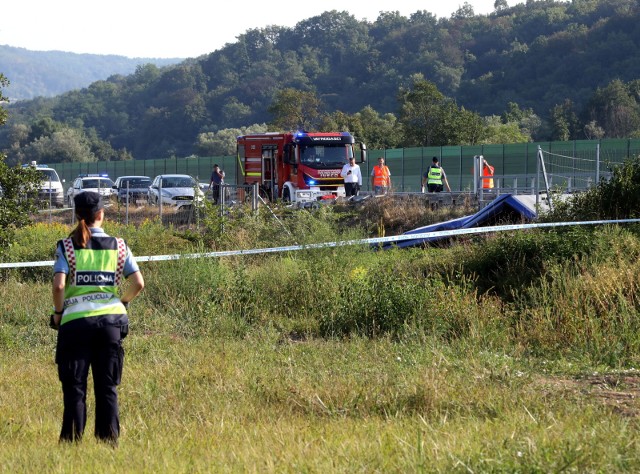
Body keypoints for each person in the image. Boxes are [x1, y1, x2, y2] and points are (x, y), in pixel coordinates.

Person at [50, 191, 144, 445]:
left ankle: (71, 443)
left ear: (77, 215)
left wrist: (58, 315)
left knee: (75, 389)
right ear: (102, 214)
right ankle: (109, 442)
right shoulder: (120, 246)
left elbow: (59, 287)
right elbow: (138, 283)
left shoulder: (67, 246)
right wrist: (121, 303)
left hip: (75, 326)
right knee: (107, 388)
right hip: (111, 325)